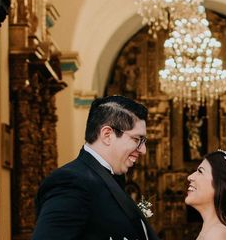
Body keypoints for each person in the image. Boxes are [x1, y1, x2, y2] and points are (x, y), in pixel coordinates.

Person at [32, 95, 159, 240]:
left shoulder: (110, 177)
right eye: (137, 139)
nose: (143, 150)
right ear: (107, 135)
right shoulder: (72, 182)